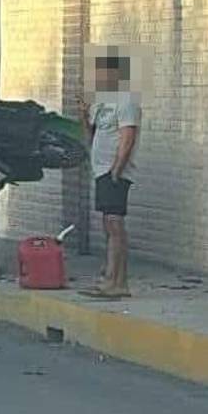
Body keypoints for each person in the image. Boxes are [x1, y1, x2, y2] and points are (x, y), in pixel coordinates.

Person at [78, 57, 141, 299]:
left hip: (115, 172)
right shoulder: (102, 102)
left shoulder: (127, 102)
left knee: (115, 224)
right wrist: (84, 115)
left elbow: (128, 137)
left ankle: (118, 282)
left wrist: (117, 169)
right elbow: (92, 134)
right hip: (101, 170)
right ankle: (110, 277)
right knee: (108, 225)